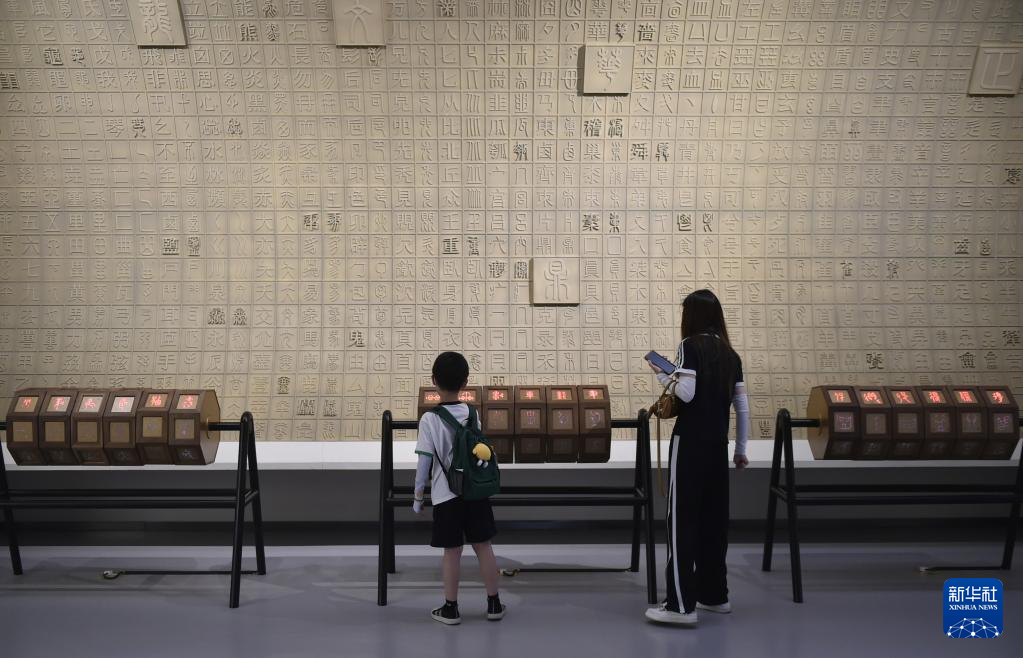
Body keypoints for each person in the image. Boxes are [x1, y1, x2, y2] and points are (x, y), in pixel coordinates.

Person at [644, 289, 750, 626]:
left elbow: (686, 394)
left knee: (681, 522)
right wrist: (740, 450)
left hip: (689, 444)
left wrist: (662, 373)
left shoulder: (690, 346)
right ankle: (714, 596)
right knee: (713, 522)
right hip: (718, 446)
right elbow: (742, 407)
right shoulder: (731, 355)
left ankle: (680, 605)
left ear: (691, 316)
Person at [413, 351, 505, 625]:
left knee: (452, 551)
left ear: (433, 381)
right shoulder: (472, 413)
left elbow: (424, 462)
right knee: (484, 546)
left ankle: (451, 608)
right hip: (475, 491)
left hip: (446, 495)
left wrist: (418, 496)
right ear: (465, 382)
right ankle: (494, 603)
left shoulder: (430, 419)